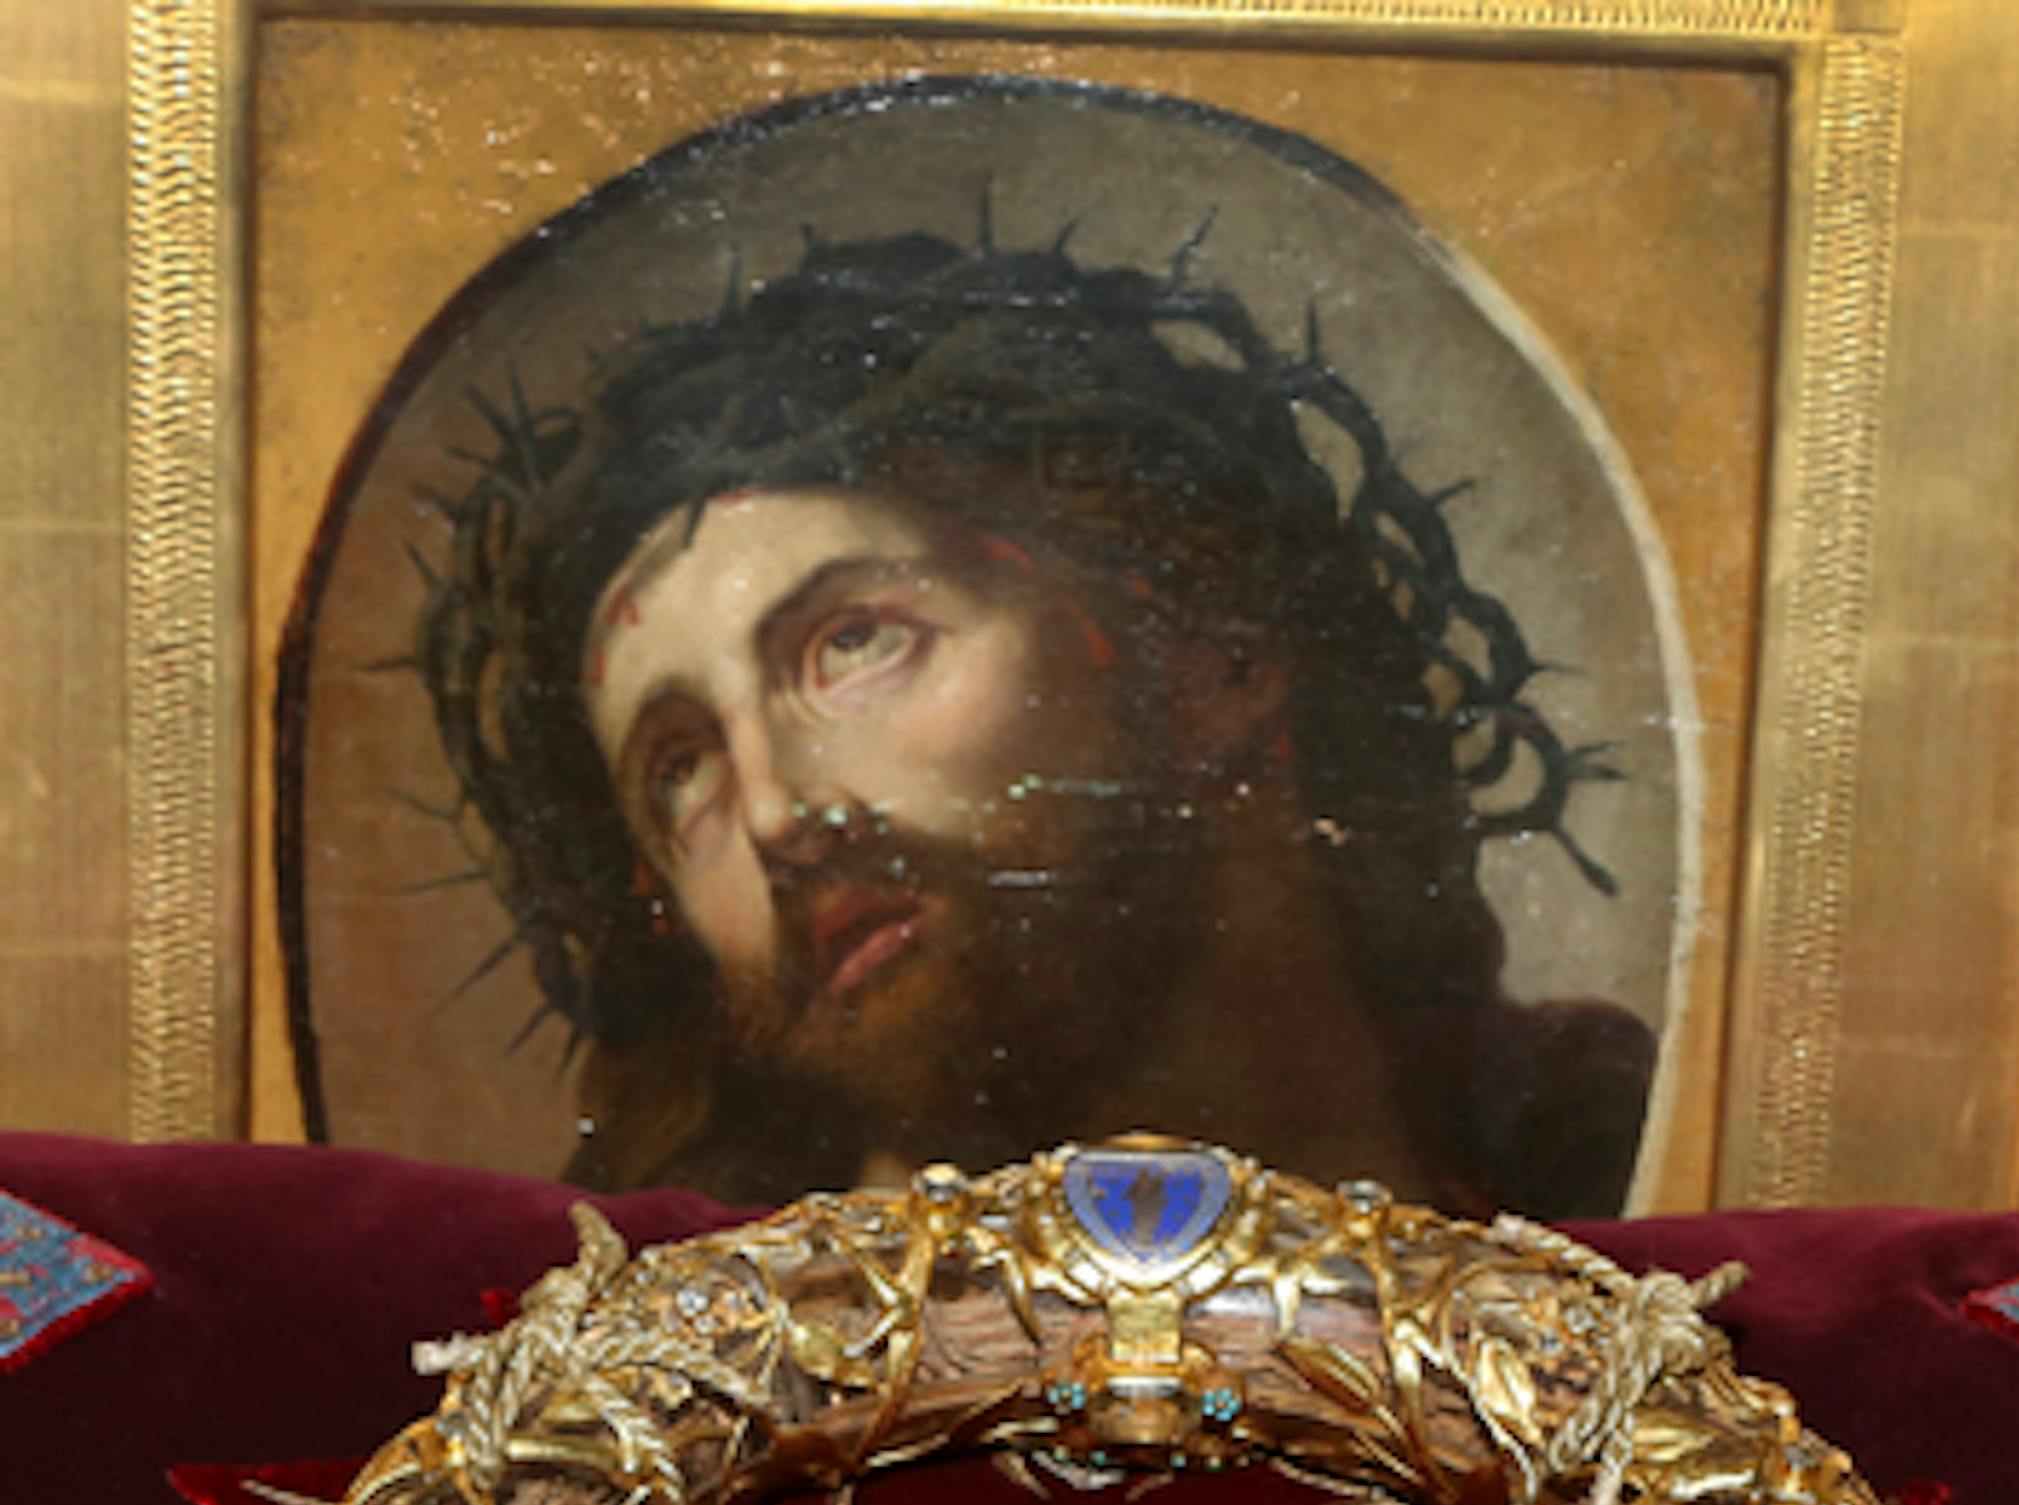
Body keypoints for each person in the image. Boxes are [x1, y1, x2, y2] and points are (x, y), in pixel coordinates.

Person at [418, 229, 1654, 1215]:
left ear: (1213, 643)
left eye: (853, 642)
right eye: (682, 768)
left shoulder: (1580, 1168)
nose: (783, 817)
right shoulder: (722, 1378)